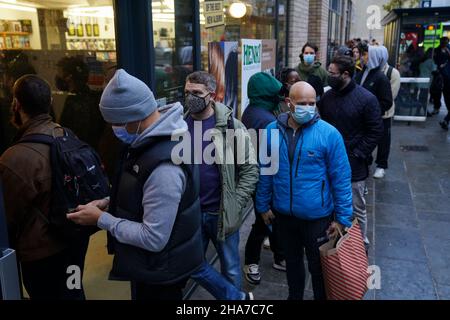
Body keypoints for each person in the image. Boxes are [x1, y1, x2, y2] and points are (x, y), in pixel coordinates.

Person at [67, 69, 204, 300]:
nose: (114, 130)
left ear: (135, 117)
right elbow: (145, 194)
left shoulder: (165, 167)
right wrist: (109, 203)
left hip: (161, 276)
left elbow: (153, 237)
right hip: (152, 268)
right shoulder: (153, 140)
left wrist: (101, 219)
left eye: (116, 123)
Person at [256, 81, 353, 300]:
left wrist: (343, 219)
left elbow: (341, 179)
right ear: (288, 103)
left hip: (317, 217)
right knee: (292, 263)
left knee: (319, 269)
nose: (308, 107)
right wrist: (262, 205)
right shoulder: (272, 131)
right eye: (302, 103)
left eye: (312, 102)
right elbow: (265, 171)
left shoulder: (329, 134)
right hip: (284, 215)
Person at [0, 75, 87, 300]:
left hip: (42, 255)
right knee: (74, 289)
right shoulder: (67, 135)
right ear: (49, 102)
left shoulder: (14, 158)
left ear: (16, 105)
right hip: (75, 243)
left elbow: (9, 216)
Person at [183, 71, 259, 299]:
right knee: (190, 264)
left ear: (212, 95)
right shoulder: (177, 125)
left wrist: (236, 202)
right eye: (186, 93)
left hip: (222, 212)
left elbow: (250, 169)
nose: (190, 98)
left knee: (231, 268)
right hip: (190, 212)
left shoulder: (231, 126)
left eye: (196, 93)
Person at [319, 55, 383, 251]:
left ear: (345, 74)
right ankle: (333, 242)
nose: (328, 76)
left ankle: (359, 244)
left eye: (332, 73)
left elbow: (375, 131)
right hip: (328, 162)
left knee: (356, 207)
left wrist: (357, 154)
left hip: (354, 165)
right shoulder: (327, 97)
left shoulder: (366, 99)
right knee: (329, 204)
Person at [241, 72, 286, 286]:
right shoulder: (267, 119)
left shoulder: (251, 111)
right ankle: (251, 262)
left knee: (271, 220)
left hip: (256, 178)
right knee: (262, 222)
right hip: (263, 181)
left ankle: (279, 256)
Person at [355, 45, 393, 179]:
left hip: (375, 118)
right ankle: (366, 161)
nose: (362, 57)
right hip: (361, 117)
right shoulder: (362, 72)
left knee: (382, 141)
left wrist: (372, 112)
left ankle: (381, 165)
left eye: (366, 54)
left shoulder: (381, 78)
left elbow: (387, 101)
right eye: (363, 54)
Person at [55, 56, 105, 150]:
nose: (58, 76)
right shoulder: (91, 97)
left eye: (59, 73)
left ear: (69, 77)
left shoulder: (75, 101)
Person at [434, 37, 450, 130]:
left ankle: (446, 120)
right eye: (442, 42)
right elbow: (435, 60)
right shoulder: (437, 50)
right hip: (442, 79)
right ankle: (445, 120)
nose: (443, 43)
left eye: (445, 42)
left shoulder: (448, 49)